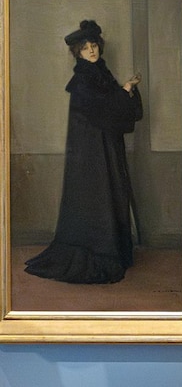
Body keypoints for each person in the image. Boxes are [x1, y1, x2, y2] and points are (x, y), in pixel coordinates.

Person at [25, 20, 144, 284]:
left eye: (94, 46)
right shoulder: (83, 80)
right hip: (90, 155)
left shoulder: (101, 73)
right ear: (77, 52)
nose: (91, 51)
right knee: (96, 196)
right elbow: (103, 109)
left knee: (112, 191)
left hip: (106, 148)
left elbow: (113, 108)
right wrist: (124, 90)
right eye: (86, 48)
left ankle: (113, 249)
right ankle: (98, 251)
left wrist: (126, 89)